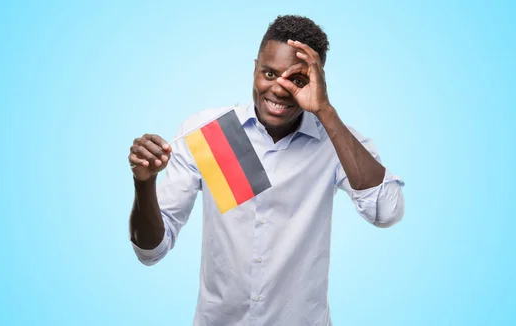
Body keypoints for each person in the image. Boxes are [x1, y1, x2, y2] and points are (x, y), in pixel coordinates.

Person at [128, 15, 405, 326]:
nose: (280, 89)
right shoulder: (209, 133)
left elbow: (386, 211)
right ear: (254, 69)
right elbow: (151, 250)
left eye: (297, 79)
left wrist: (325, 111)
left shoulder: (336, 140)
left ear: (317, 82)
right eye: (269, 73)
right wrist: (145, 183)